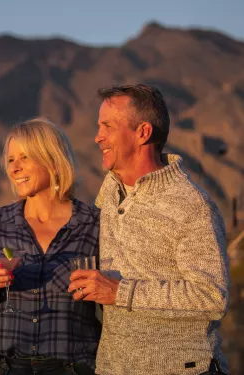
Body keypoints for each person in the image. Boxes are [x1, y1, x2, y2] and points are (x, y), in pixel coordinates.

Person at [68, 84, 230, 375]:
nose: (97, 137)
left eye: (107, 126)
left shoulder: (192, 205)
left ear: (142, 132)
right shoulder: (110, 191)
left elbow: (211, 298)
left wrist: (120, 292)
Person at [0, 117, 101, 375]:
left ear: (53, 161)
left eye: (25, 158)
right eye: (11, 160)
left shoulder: (94, 224)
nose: (15, 168)